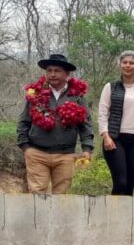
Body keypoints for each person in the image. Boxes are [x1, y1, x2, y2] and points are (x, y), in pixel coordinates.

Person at [17, 53, 93, 194]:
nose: (52, 74)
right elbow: (24, 121)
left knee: (61, 197)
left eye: (57, 71)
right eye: (49, 70)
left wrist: (87, 148)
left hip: (66, 155)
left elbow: (85, 125)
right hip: (37, 153)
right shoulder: (36, 93)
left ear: (67, 74)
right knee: (37, 194)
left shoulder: (77, 96)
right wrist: (25, 147)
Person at [97, 51, 134, 196]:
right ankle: (113, 210)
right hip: (115, 139)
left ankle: (126, 211)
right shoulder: (110, 87)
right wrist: (105, 136)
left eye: (131, 63)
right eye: (124, 62)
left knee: (129, 185)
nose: (128, 65)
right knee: (121, 182)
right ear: (119, 65)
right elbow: (102, 113)